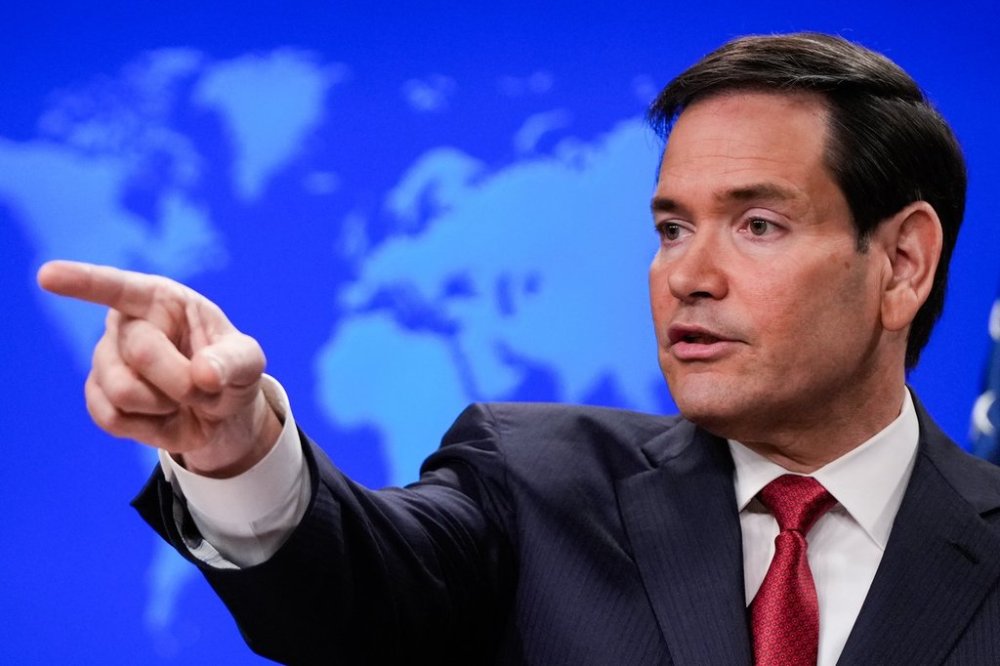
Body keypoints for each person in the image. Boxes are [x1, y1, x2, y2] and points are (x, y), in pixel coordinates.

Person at [38, 32, 1000, 665]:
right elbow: (348, 597)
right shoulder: (534, 484)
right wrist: (237, 450)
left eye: (757, 225)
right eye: (671, 228)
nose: (687, 275)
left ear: (902, 264)